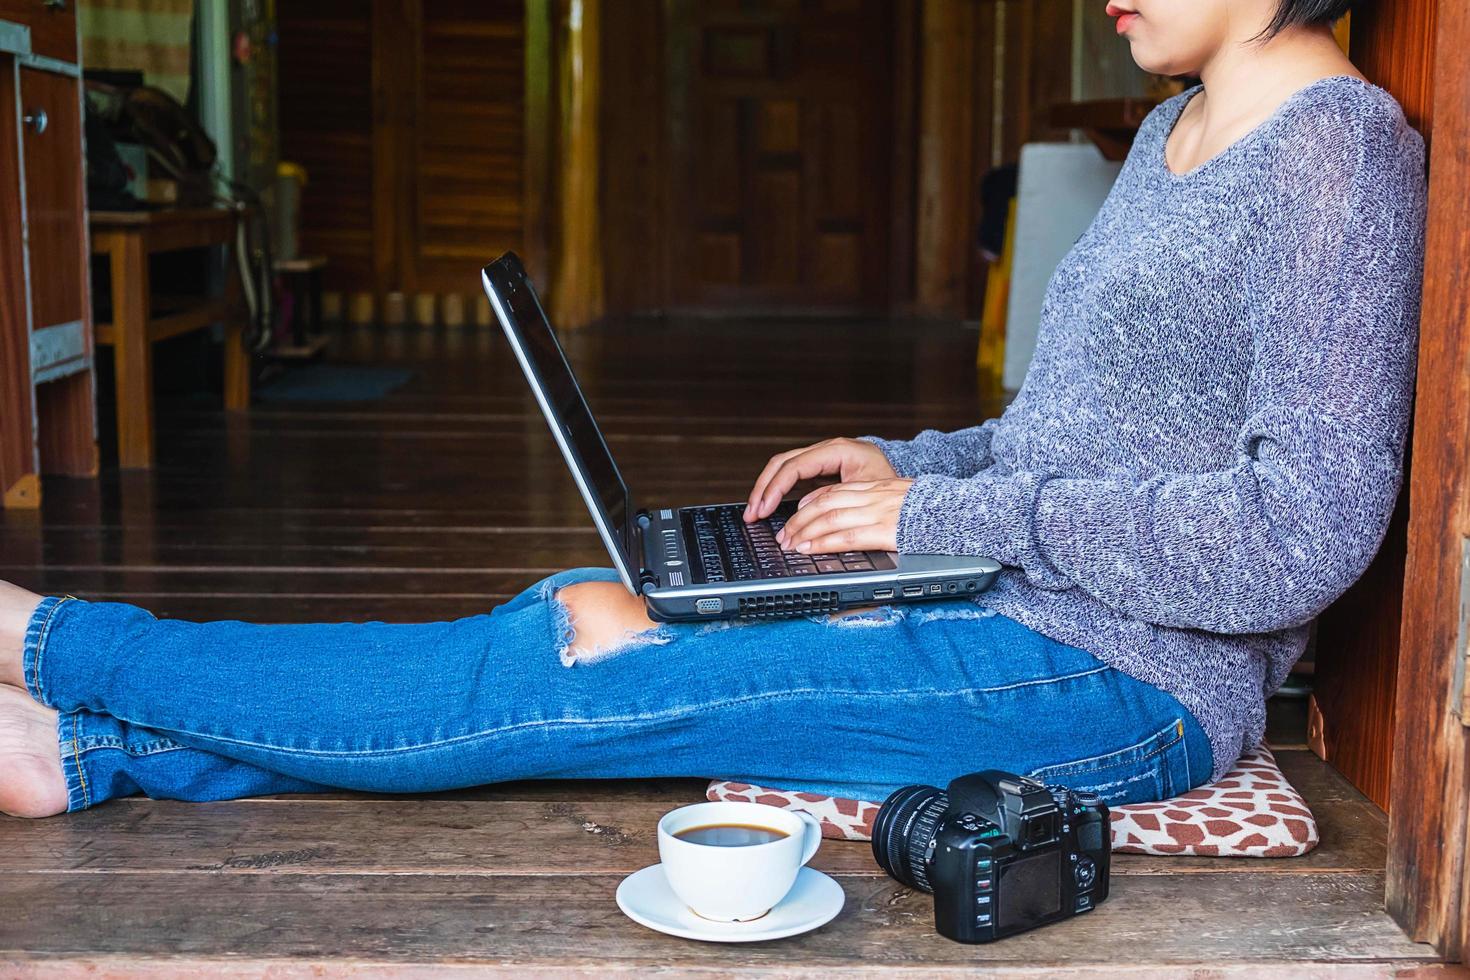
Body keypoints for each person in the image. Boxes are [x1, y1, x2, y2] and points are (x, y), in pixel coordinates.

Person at [0, 0, 1425, 818]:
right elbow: (1084, 432)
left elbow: (1303, 532)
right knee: (578, 606)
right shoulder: (1173, 131)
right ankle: (89, 755)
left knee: (584, 672)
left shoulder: (1337, 157)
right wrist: (899, 462)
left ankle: (61, 652)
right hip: (1007, 592)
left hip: (1122, 685)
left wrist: (940, 512)